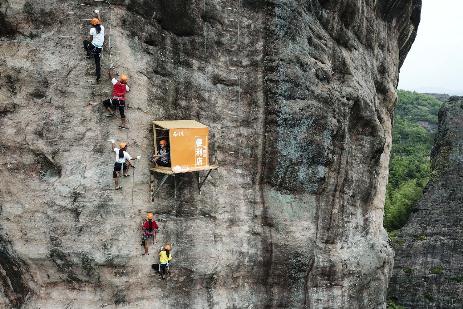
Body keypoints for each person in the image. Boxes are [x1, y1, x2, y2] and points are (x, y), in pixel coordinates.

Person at [83, 13, 104, 83]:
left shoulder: (92, 30)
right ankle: (98, 77)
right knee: (97, 62)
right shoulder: (102, 28)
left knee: (85, 42)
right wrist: (98, 13)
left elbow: (90, 39)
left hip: (93, 47)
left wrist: (90, 42)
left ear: (93, 24)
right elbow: (100, 21)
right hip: (99, 49)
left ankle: (88, 54)